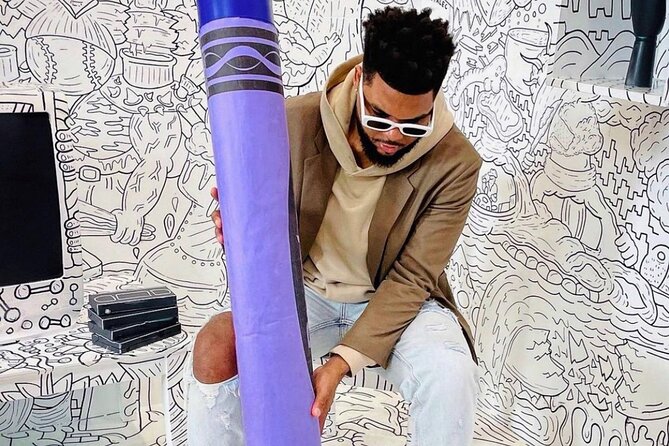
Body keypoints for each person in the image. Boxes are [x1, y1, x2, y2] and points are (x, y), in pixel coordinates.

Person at [186, 6, 483, 445]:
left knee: (451, 372)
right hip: (306, 295)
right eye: (379, 117)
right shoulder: (291, 123)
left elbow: (414, 277)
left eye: (413, 126)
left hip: (393, 300)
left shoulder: (457, 163)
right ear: (360, 79)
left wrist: (339, 364)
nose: (392, 136)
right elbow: (264, 232)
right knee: (215, 346)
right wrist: (237, 225)